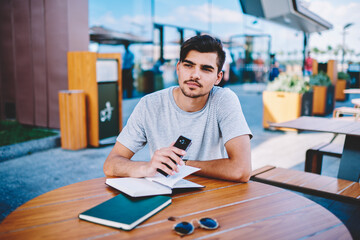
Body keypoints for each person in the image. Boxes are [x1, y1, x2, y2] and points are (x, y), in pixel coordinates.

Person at [104, 35, 252, 182]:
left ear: (218, 78)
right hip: (165, 195)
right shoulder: (150, 104)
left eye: (206, 69)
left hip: (212, 193)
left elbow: (241, 170)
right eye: (188, 65)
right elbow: (111, 164)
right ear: (178, 68)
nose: (195, 75)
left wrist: (183, 165)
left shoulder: (223, 100)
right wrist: (147, 167)